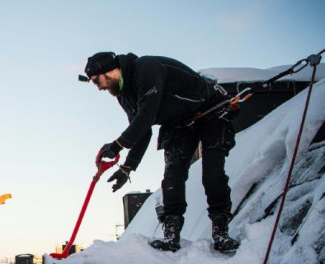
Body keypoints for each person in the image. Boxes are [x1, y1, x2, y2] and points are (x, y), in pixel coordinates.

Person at [85, 51, 240, 253]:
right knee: (172, 179)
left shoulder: (146, 69)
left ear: (110, 70)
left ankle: (221, 233)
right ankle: (171, 235)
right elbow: (142, 132)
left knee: (212, 174)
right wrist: (127, 168)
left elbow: (146, 116)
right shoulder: (124, 95)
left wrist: (117, 145)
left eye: (97, 80)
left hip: (210, 111)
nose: (98, 87)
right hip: (177, 124)